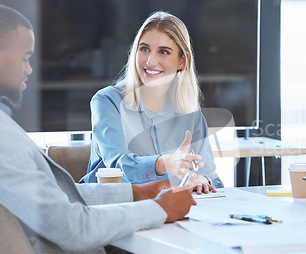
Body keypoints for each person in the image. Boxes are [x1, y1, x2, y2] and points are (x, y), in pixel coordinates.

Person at [0, 3, 196, 253]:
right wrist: (160, 209)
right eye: (25, 58)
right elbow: (75, 228)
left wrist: (137, 192)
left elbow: (53, 202)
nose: (29, 69)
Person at [80, 11, 224, 193]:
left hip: (168, 210)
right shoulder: (107, 101)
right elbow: (118, 165)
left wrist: (201, 180)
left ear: (182, 60)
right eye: (144, 49)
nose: (150, 61)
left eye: (163, 51)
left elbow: (210, 176)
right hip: (111, 206)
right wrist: (164, 164)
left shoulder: (188, 108)